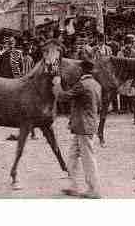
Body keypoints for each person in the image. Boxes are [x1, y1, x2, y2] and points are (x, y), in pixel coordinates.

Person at [53, 59, 102, 198]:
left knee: (87, 158)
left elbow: (62, 97)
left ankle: (94, 189)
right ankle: (73, 186)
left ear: (82, 71)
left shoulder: (82, 85)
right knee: (73, 155)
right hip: (86, 125)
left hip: (82, 126)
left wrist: (57, 84)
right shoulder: (96, 84)